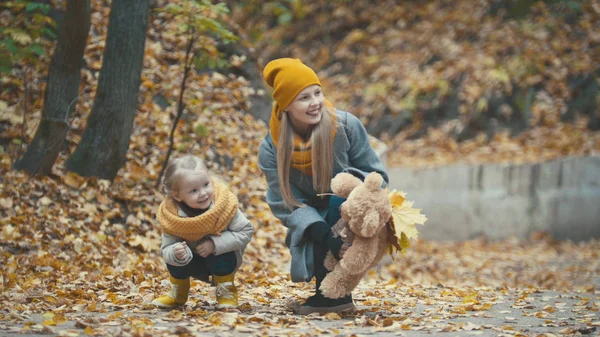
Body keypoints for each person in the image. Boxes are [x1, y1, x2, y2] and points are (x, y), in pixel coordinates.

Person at [258, 58, 389, 315]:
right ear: (286, 106)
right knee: (315, 225)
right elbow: (282, 199)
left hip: (350, 207)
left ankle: (337, 295)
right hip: (309, 216)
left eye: (317, 92)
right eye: (303, 98)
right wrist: (319, 230)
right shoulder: (270, 148)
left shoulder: (345, 126)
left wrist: (347, 192)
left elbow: (378, 175)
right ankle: (325, 293)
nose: (315, 102)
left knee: (335, 201)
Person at [152, 155, 254, 308]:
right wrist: (175, 252)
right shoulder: (172, 216)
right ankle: (178, 294)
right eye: (193, 190)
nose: (203, 193)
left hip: (223, 260)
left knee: (221, 254)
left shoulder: (224, 206)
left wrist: (214, 244)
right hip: (192, 260)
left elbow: (245, 231)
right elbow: (166, 247)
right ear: (177, 195)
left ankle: (226, 293)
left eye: (206, 184)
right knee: (174, 255)